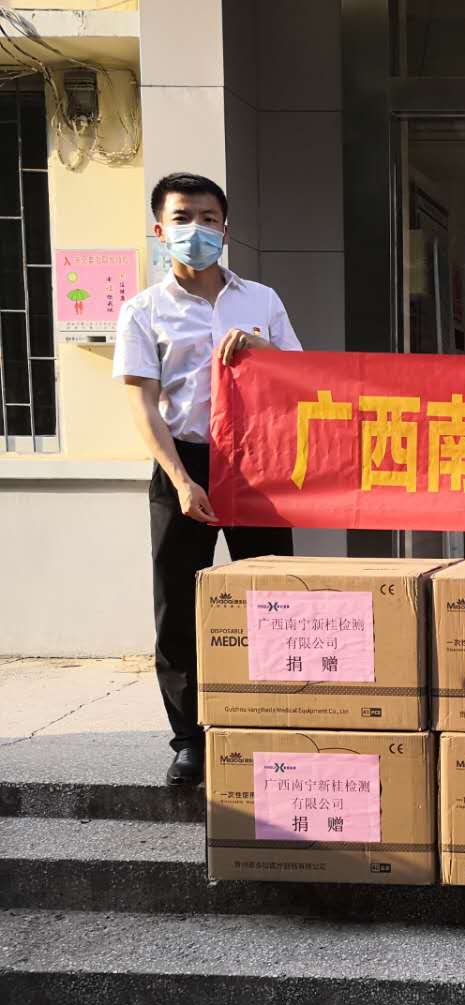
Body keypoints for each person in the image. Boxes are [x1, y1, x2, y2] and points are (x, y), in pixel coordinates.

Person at [115, 172, 302, 785]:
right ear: (159, 229)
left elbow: (303, 379)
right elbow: (143, 404)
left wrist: (261, 352)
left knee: (272, 599)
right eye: (182, 218)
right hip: (184, 462)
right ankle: (190, 741)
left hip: (257, 465)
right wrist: (179, 480)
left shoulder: (261, 300)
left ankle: (272, 725)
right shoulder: (143, 310)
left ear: (226, 229)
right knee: (178, 606)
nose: (196, 229)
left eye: (209, 218)